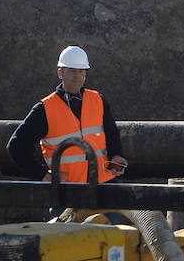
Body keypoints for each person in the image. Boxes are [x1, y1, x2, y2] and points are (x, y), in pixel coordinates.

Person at [7, 45, 128, 183]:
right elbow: (16, 146)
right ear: (60, 73)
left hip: (103, 183)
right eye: (72, 70)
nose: (77, 75)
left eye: (81, 71)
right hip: (67, 189)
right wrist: (42, 174)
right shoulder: (44, 109)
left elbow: (112, 134)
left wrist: (116, 155)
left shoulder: (98, 100)